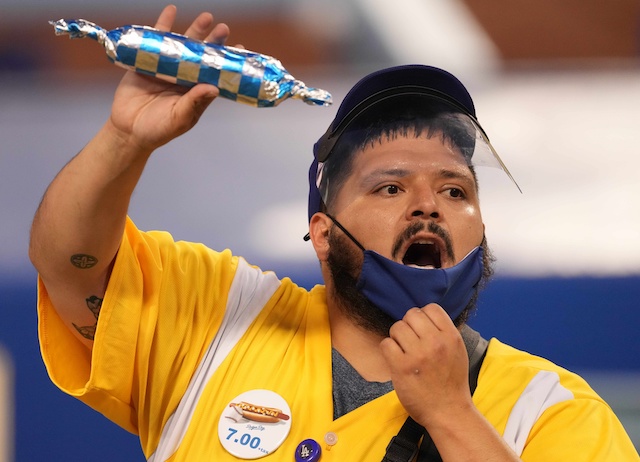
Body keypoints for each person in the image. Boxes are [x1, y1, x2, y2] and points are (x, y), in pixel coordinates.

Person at [29, 5, 639, 462]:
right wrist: (123, 141)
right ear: (322, 233)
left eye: (456, 191)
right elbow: (66, 262)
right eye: (391, 188)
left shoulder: (553, 412)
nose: (429, 205)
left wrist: (452, 414)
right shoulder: (219, 320)